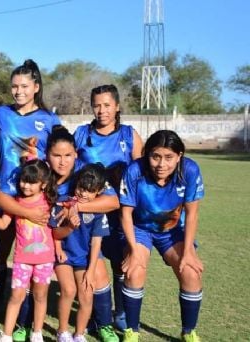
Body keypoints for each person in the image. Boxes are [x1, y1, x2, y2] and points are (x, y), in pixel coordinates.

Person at [0, 59, 61, 341]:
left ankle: (28, 324)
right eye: (14, 86)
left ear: (36, 87)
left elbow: (58, 159)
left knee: (36, 261)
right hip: (7, 197)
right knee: (2, 255)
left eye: (24, 86)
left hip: (36, 201)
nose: (18, 91)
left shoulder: (49, 120)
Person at [119, 130, 204, 342]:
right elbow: (126, 213)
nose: (161, 164)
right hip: (140, 229)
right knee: (134, 271)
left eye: (168, 157)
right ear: (147, 154)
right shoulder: (134, 170)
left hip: (173, 230)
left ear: (179, 156)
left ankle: (189, 332)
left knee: (191, 272)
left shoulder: (190, 170)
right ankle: (132, 331)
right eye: (155, 156)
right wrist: (132, 249)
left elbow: (192, 213)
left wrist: (188, 252)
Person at [73, 84, 143, 332]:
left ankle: (120, 314)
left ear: (117, 106)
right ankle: (97, 316)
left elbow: (141, 175)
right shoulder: (81, 134)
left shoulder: (128, 135)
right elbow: (71, 169)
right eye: (96, 105)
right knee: (95, 263)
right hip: (90, 216)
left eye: (107, 105)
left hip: (121, 214)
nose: (101, 110)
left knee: (119, 264)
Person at [0, 160, 58, 342]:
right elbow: (4, 224)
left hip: (45, 260)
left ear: (43, 184)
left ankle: (37, 333)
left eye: (31, 182)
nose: (25, 185)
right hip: (22, 260)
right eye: (23, 180)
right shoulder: (15, 203)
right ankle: (7, 335)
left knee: (40, 296)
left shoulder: (49, 202)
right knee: (16, 297)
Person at [52, 164, 115, 342]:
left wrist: (91, 270)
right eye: (81, 187)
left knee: (86, 294)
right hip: (63, 256)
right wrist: (70, 227)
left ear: (99, 191)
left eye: (89, 190)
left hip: (84, 260)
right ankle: (62, 332)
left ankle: (79, 334)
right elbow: (55, 234)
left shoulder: (98, 212)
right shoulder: (62, 203)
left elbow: (96, 243)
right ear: (76, 183)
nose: (83, 193)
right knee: (69, 290)